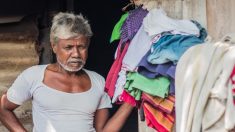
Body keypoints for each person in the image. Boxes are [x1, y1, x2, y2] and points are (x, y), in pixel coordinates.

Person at [0, 12, 133, 132]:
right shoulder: (34, 76)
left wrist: (130, 101)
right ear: (54, 46)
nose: (76, 54)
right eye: (68, 47)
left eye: (81, 47)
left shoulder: (98, 81)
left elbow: (102, 130)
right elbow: (3, 108)